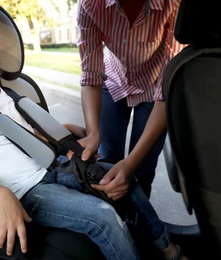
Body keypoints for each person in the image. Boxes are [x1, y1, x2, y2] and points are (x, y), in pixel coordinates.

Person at [0, 1, 189, 259]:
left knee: (121, 180)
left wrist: (68, 133)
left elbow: (29, 137)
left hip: (55, 168)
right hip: (29, 191)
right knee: (102, 216)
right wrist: (0, 195)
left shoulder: (8, 93)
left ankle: (166, 248)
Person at [76, 0, 186, 198]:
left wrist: (132, 162)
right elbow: (91, 74)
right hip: (113, 81)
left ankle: (139, 225)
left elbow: (167, 90)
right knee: (106, 162)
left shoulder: (174, 4)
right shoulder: (90, 4)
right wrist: (93, 133)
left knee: (142, 169)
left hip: (155, 89)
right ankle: (115, 219)